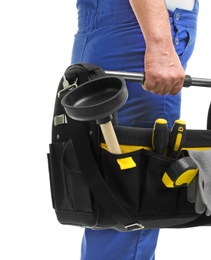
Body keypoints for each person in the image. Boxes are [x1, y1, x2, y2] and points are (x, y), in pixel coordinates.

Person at [70, 0, 199, 259]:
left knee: (109, 203)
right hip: (139, 30)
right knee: (131, 203)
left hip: (112, 26)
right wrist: (160, 45)